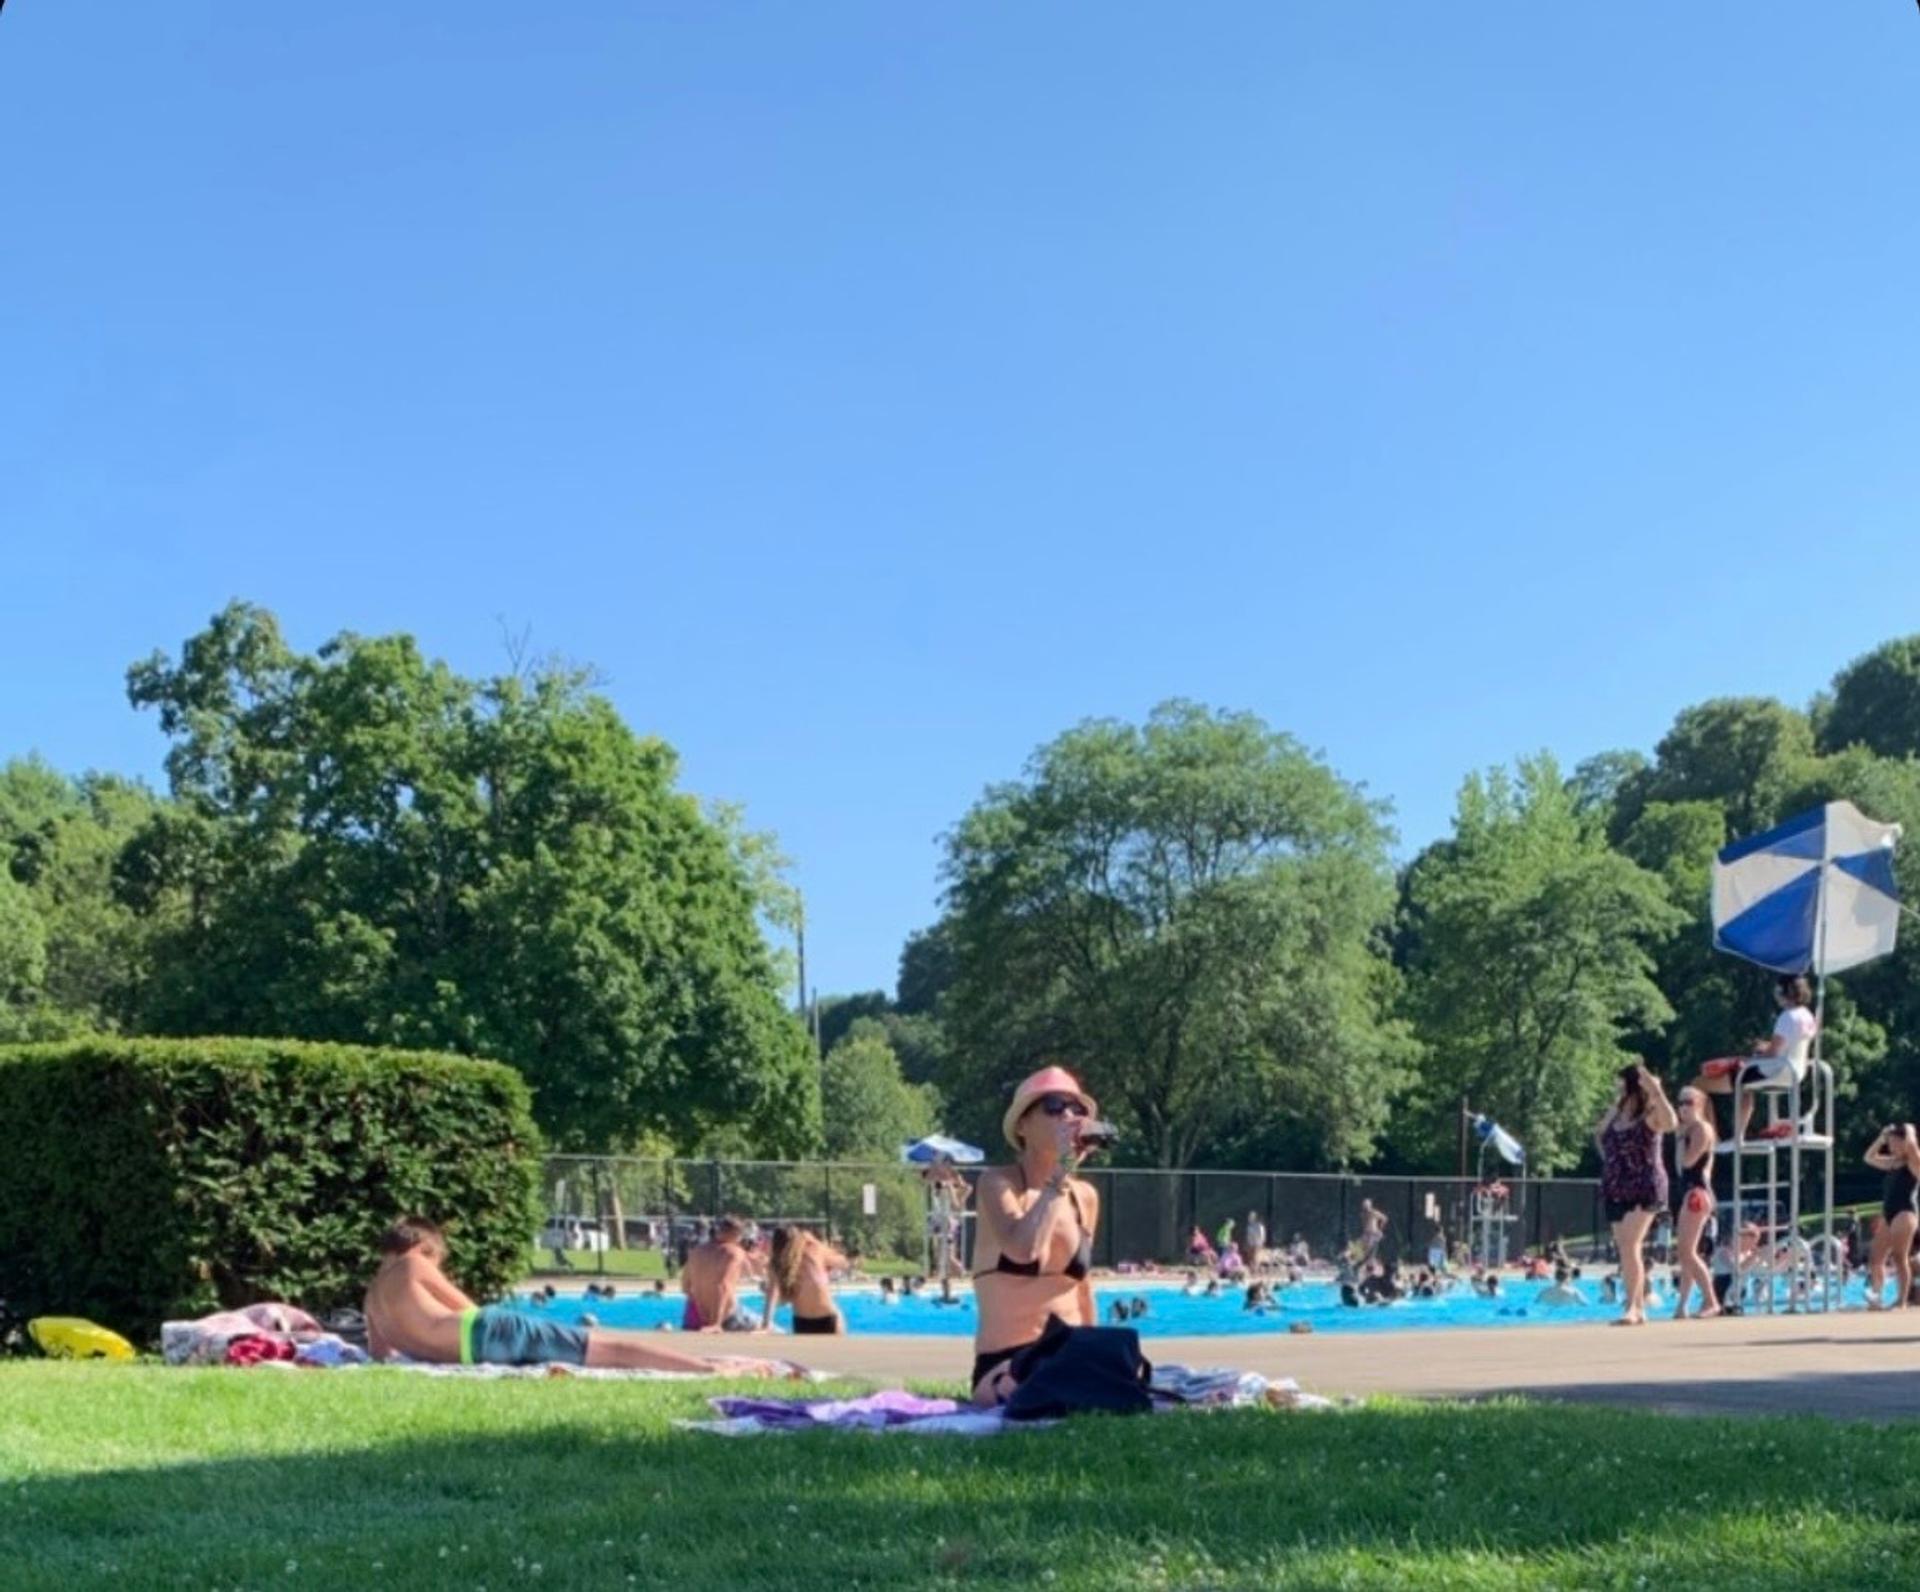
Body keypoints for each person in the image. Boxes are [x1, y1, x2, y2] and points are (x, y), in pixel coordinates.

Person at [364, 1218, 794, 1376]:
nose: (436, 1265)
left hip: (470, 1349)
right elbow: (469, 1310)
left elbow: (381, 1355)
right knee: (606, 1349)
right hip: (485, 1333)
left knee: (602, 1351)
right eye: (438, 1258)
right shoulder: (415, 1265)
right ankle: (709, 1369)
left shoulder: (372, 1297)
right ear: (423, 1249)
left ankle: (708, 1366)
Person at [969, 1066, 1105, 1402]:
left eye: (1078, 1109)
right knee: (1047, 1386)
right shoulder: (998, 1184)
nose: (1070, 1116)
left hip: (1071, 1353)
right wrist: (1058, 1176)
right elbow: (1022, 1250)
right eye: (1055, 1106)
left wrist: (1099, 1350)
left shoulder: (1084, 1196)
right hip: (1008, 1363)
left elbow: (1083, 1289)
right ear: (1022, 1125)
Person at [1691, 974, 1819, 1144]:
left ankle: (1709, 1137)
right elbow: (1789, 1045)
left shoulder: (1787, 1017)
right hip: (1795, 1071)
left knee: (1699, 1084)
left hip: (1775, 1069)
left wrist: (1748, 1059)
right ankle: (1737, 1136)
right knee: (1745, 1084)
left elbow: (1772, 1054)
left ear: (1783, 991)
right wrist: (1765, 1048)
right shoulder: (1808, 1016)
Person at [1597, 1061, 1677, 1326]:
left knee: (1630, 1245)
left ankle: (1632, 1307)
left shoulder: (1651, 1114)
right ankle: (1639, 1307)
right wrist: (1611, 1160)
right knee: (1627, 1248)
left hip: (1645, 1185)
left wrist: (1657, 1091)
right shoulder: (1616, 1113)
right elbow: (1600, 1134)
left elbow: (1671, 1123)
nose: (1616, 1087)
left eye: (1620, 1082)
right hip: (1617, 1185)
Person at [1671, 1084, 1720, 1320]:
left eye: (1688, 1103)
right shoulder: (1688, 1129)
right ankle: (1682, 1305)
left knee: (1687, 1251)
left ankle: (1711, 1300)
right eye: (1679, 1103)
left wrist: (1681, 1137)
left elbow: (1687, 1163)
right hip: (1691, 1192)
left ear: (1699, 1105)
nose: (1682, 1108)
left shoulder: (1700, 1128)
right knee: (1685, 1253)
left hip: (1697, 1193)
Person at [1865, 1123, 1920, 1311]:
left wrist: (1910, 1131)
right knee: (1876, 1257)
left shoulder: (1914, 1163)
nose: (1892, 1146)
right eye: (1890, 1143)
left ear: (1905, 1143)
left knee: (1899, 1256)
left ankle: (1901, 1301)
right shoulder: (1891, 1163)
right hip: (1889, 1214)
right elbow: (1869, 1158)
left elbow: (1912, 1149)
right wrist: (1882, 1137)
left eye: (1896, 1142)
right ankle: (1877, 1296)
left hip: (1905, 1212)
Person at [760, 1226, 848, 1335]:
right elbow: (772, 1296)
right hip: (802, 1321)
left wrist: (815, 1241)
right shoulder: (778, 1265)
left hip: (828, 1319)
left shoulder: (813, 1253)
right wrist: (766, 1324)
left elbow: (843, 1262)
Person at [681, 1216, 759, 1332]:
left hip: (694, 1317)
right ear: (735, 1233)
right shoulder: (734, 1252)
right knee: (775, 1332)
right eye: (741, 1235)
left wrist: (702, 1306)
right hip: (727, 1317)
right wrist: (716, 1323)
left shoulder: (696, 1251)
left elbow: (685, 1286)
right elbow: (723, 1286)